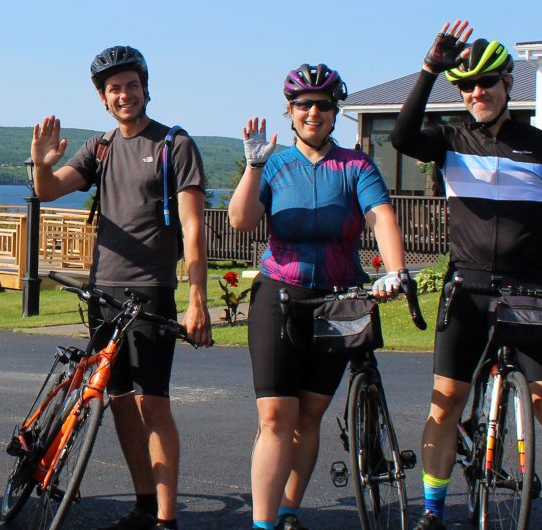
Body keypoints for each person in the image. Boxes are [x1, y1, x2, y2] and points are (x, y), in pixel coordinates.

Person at [30, 45, 213, 530]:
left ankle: (167, 519)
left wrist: (198, 301)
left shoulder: (175, 145)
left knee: (153, 402)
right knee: (120, 404)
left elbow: (193, 231)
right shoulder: (100, 147)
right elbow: (47, 191)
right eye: (114, 89)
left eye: (132, 85)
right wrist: (42, 162)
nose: (124, 94)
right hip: (103, 291)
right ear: (103, 99)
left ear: (145, 87)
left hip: (151, 290)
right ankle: (144, 504)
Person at [228, 64, 408, 530]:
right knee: (275, 416)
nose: (313, 112)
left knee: (309, 415)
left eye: (323, 105)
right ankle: (263, 525)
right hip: (278, 296)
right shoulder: (275, 163)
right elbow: (241, 221)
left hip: (337, 299)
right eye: (303, 104)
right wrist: (253, 166)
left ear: (334, 112)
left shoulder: (356, 165)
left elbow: (381, 217)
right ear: (289, 112)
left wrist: (395, 270)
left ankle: (289, 512)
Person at [390, 20, 542, 530]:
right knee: (447, 400)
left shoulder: (538, 145)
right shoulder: (451, 140)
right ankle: (433, 509)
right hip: (468, 289)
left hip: (529, 290)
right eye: (466, 85)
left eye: (487, 82)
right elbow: (402, 134)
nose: (477, 92)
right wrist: (430, 69)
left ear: (507, 83)